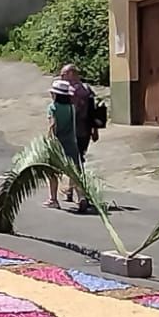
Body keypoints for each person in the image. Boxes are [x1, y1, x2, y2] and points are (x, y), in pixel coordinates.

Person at [44, 65, 98, 212]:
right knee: (76, 167)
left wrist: (49, 139)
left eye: (63, 74)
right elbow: (94, 109)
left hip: (62, 140)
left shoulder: (54, 106)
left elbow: (53, 124)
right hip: (78, 135)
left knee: (53, 170)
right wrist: (94, 129)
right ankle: (80, 196)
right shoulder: (86, 90)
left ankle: (54, 198)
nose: (62, 77)